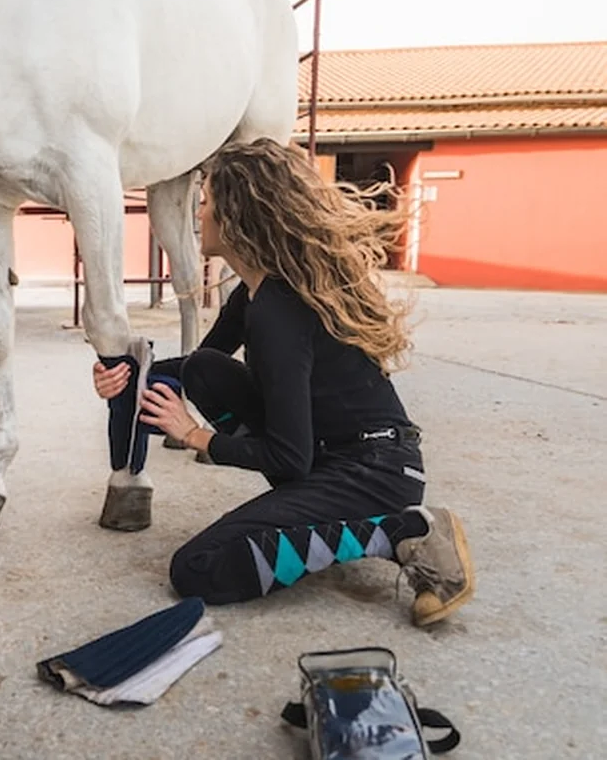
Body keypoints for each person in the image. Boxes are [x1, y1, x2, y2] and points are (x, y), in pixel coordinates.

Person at [91, 138, 475, 627]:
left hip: (375, 472)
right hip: (337, 457)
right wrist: (124, 379)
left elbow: (286, 459)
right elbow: (191, 372)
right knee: (203, 368)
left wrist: (196, 436)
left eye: (205, 202)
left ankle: (402, 530)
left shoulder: (278, 312)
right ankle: (349, 521)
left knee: (197, 569)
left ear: (235, 215)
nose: (197, 214)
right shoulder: (256, 293)